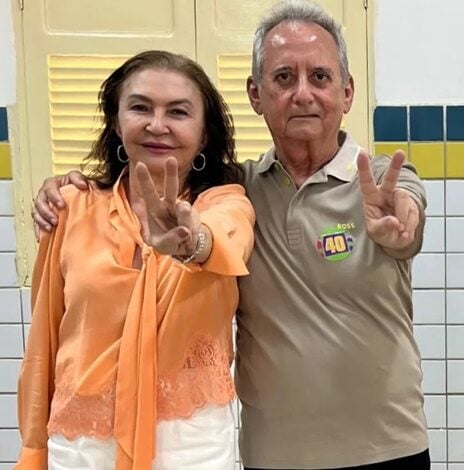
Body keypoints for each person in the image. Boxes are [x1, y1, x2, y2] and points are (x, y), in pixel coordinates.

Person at [32, 1, 430, 468]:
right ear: (256, 94)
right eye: (284, 78)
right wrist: (64, 185)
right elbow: (205, 223)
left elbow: (406, 226)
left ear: (347, 92)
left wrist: (402, 231)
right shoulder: (239, 187)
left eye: (320, 77)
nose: (302, 93)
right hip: (275, 454)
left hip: (388, 447)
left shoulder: (382, 182)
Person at [18, 50, 255, 469]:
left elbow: (225, 241)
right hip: (83, 442)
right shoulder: (71, 207)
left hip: (190, 443)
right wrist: (34, 448)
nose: (157, 125)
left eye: (178, 112)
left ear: (204, 135)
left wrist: (191, 243)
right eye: (141, 107)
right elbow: (43, 341)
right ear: (116, 121)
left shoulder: (225, 205)